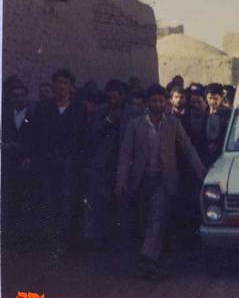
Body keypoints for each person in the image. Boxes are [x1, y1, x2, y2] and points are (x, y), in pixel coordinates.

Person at [115, 84, 206, 278]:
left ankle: (148, 258)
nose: (158, 104)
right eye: (154, 101)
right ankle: (147, 256)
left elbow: (188, 149)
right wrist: (121, 179)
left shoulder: (173, 124)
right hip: (140, 179)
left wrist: (202, 174)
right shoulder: (135, 125)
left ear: (166, 103)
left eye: (161, 101)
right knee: (145, 218)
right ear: (148, 103)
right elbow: (125, 153)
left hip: (164, 180)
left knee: (157, 215)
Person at [83, 79, 142, 251]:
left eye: (117, 95)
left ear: (123, 96)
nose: (114, 98)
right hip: (105, 166)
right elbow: (92, 136)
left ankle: (124, 242)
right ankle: (102, 241)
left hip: (126, 164)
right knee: (103, 204)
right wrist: (108, 120)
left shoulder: (134, 112)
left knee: (125, 204)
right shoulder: (101, 112)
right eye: (111, 95)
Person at [34, 68, 88, 255]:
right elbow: (38, 136)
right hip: (49, 162)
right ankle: (51, 242)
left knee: (69, 203)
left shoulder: (78, 109)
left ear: (71, 87)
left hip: (70, 164)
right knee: (49, 201)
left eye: (65, 83)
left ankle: (67, 243)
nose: (62, 86)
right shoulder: (44, 108)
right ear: (53, 85)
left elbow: (82, 138)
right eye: (58, 82)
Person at [1, 80, 38, 247]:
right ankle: (9, 238)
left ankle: (26, 238)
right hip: (8, 164)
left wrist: (28, 154)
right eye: (16, 96)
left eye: (22, 95)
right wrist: (4, 145)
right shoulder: (4, 115)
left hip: (27, 164)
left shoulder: (35, 116)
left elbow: (39, 139)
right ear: (10, 98)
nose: (19, 98)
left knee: (27, 201)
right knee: (10, 200)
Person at [204, 83, 230, 166]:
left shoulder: (227, 114)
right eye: (210, 98)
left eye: (215, 98)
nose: (212, 102)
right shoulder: (203, 113)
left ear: (221, 98)